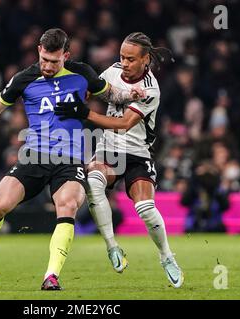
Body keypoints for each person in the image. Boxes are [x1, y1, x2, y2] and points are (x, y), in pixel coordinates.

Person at [0, 28, 144, 290]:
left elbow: (111, 93)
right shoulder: (24, 78)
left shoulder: (83, 74)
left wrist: (131, 94)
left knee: (67, 206)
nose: (47, 66)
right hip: (34, 155)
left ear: (66, 55)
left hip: (70, 160)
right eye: (44, 59)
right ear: (39, 51)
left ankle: (51, 276)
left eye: (54, 61)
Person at [54, 32, 184, 288]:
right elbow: (94, 89)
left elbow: (124, 124)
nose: (124, 63)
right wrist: (80, 97)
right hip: (108, 150)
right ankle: (112, 247)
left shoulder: (150, 89)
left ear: (146, 59)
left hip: (137, 153)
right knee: (93, 181)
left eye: (131, 59)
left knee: (145, 209)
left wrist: (85, 113)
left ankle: (166, 256)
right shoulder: (112, 71)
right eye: (122, 57)